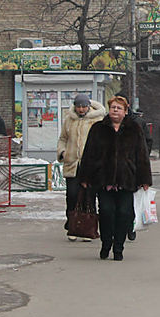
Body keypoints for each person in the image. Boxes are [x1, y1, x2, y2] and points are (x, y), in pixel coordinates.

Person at [77, 96, 152, 262]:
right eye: (113, 108)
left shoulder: (134, 129)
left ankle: (119, 247)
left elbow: (142, 155)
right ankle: (106, 244)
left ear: (125, 112)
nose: (115, 111)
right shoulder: (98, 129)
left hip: (127, 180)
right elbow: (89, 153)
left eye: (119, 108)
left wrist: (144, 178)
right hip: (104, 180)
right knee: (106, 212)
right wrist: (85, 176)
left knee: (124, 213)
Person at [57, 94, 106, 240]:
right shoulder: (69, 120)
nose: (81, 109)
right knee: (72, 195)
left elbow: (103, 141)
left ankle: (88, 227)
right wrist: (63, 152)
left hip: (91, 165)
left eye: (84, 106)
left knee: (89, 196)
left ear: (89, 106)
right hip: (73, 163)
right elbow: (63, 139)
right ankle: (73, 226)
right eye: (79, 106)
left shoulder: (97, 120)